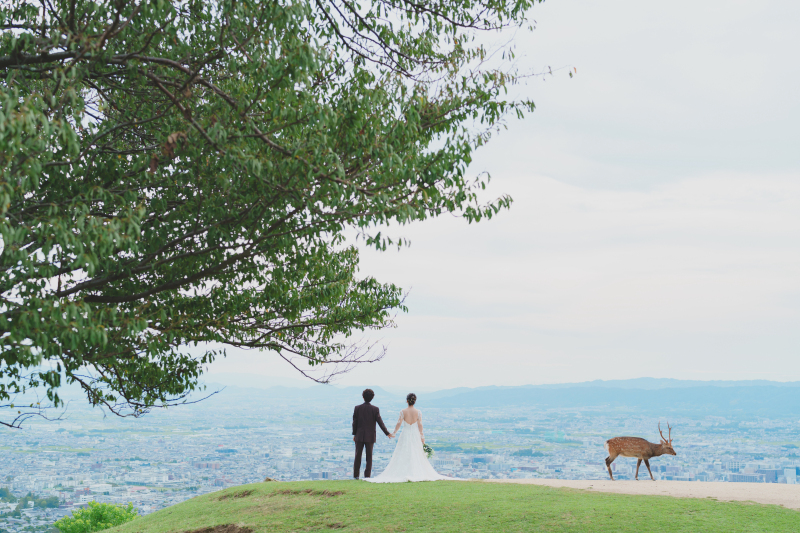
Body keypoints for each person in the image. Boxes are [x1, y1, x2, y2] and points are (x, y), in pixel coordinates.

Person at [364, 392, 459, 483]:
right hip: (415, 434)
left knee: (403, 451)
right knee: (416, 452)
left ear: (407, 401)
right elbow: (420, 425)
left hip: (405, 433)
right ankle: (415, 471)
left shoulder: (403, 411)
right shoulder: (418, 412)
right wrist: (422, 436)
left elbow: (399, 423)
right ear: (414, 401)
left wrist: (394, 433)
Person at [352, 388, 393, 479]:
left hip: (359, 435)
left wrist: (354, 434)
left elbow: (354, 422)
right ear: (372, 398)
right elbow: (380, 422)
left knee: (357, 456)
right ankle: (367, 476)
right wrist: (387, 433)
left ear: (363, 397)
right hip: (370, 437)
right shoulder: (375, 409)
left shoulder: (357, 408)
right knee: (369, 457)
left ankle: (356, 476)